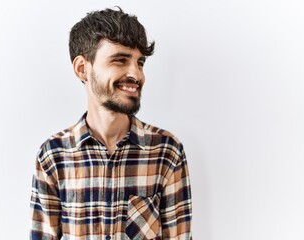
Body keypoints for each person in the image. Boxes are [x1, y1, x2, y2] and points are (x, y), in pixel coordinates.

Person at [30, 7, 193, 240]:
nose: (135, 74)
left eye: (140, 63)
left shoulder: (166, 152)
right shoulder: (53, 156)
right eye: (120, 60)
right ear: (82, 69)